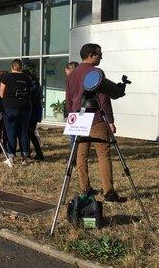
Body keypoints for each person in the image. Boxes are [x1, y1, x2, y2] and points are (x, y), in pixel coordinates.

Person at [66, 43, 125, 202]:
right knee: (103, 154)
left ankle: (85, 188)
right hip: (96, 118)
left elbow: (69, 98)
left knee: (81, 155)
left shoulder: (72, 74)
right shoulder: (96, 72)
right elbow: (103, 98)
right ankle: (109, 192)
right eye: (99, 54)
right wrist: (110, 120)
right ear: (91, 55)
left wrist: (72, 117)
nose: (101, 57)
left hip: (78, 118)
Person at [0, 59, 32, 166]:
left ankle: (11, 157)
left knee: (10, 132)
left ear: (11, 67)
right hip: (25, 107)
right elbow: (29, 92)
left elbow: (1, 93)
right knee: (23, 131)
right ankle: (25, 157)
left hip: (10, 107)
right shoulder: (27, 78)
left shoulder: (6, 77)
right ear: (21, 67)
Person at [22, 69, 44, 160]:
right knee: (28, 133)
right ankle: (30, 152)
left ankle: (39, 153)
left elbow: (30, 97)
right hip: (32, 112)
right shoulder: (33, 84)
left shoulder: (34, 84)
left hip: (33, 113)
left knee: (30, 132)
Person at [64, 61, 79, 149]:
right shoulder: (81, 78)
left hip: (73, 109)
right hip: (81, 108)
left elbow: (68, 96)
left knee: (74, 133)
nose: (66, 72)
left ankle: (73, 153)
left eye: (66, 70)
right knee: (78, 133)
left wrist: (69, 111)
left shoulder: (70, 79)